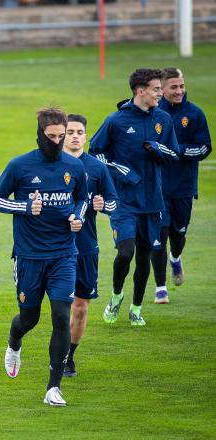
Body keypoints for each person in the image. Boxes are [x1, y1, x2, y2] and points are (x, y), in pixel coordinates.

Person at [0, 107, 88, 406]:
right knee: (28, 318)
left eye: (62, 136)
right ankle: (14, 340)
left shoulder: (74, 168)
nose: (58, 141)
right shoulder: (20, 166)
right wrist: (23, 207)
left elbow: (82, 198)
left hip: (63, 255)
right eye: (52, 136)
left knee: (61, 316)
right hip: (29, 256)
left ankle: (53, 388)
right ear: (40, 134)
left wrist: (77, 217)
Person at [90, 68, 180, 326]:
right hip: (123, 201)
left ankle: (136, 308)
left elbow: (174, 155)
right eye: (156, 89)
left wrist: (156, 148)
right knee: (126, 252)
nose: (160, 94)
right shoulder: (116, 121)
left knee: (145, 257)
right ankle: (116, 295)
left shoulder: (163, 119)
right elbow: (96, 153)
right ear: (140, 91)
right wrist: (121, 170)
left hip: (152, 201)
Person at [61, 114, 118, 378]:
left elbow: (114, 202)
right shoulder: (51, 165)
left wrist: (103, 205)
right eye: (69, 131)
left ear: (85, 136)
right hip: (54, 247)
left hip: (85, 246)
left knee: (81, 307)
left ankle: (68, 356)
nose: (74, 136)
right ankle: (57, 353)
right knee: (58, 306)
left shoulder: (97, 168)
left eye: (79, 132)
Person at [150, 67, 212, 303]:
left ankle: (176, 258)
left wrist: (178, 152)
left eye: (182, 86)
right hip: (157, 188)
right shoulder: (153, 113)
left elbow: (205, 147)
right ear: (162, 88)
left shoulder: (194, 114)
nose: (179, 91)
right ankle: (160, 287)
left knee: (178, 234)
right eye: (173, 87)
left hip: (184, 187)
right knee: (160, 233)